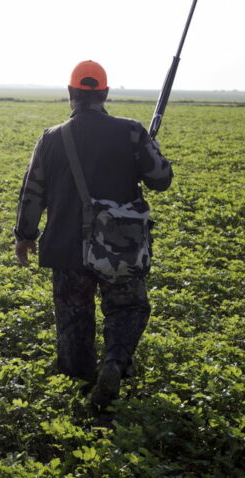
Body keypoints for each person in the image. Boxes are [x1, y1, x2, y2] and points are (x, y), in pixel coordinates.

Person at [13, 60, 173, 415]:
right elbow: (162, 179)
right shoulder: (132, 132)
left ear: (71, 94)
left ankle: (78, 393)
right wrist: (150, 148)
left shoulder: (51, 138)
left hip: (67, 247)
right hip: (119, 247)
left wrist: (24, 236)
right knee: (128, 308)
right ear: (105, 93)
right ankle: (115, 362)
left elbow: (32, 191)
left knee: (73, 320)